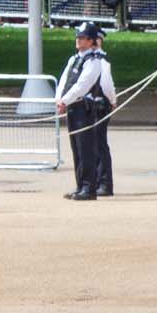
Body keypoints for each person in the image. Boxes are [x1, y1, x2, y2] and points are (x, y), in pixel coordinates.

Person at [55, 21, 117, 200]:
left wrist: (65, 100)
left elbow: (83, 85)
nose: (78, 40)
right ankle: (81, 184)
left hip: (85, 107)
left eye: (82, 38)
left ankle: (89, 187)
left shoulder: (95, 61)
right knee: (76, 147)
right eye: (78, 37)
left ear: (91, 41)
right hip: (73, 107)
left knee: (86, 148)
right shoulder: (74, 59)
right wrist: (59, 99)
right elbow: (64, 80)